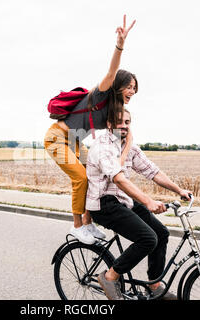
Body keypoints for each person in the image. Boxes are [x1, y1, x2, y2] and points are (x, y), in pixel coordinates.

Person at [44, 15, 137, 244]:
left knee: (95, 176)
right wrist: (120, 45)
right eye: (129, 86)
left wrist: (122, 157)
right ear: (118, 86)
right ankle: (77, 227)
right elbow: (111, 72)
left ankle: (88, 222)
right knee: (80, 178)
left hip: (75, 141)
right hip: (57, 138)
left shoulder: (113, 110)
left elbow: (122, 135)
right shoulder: (101, 93)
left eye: (135, 88)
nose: (132, 92)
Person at [86, 109, 192, 300]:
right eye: (120, 121)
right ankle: (109, 276)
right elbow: (118, 179)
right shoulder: (102, 147)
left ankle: (153, 284)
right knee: (148, 239)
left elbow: (152, 171)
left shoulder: (129, 146)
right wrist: (148, 201)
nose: (124, 125)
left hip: (123, 200)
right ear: (109, 124)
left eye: (128, 122)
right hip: (104, 203)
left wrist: (179, 190)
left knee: (161, 233)